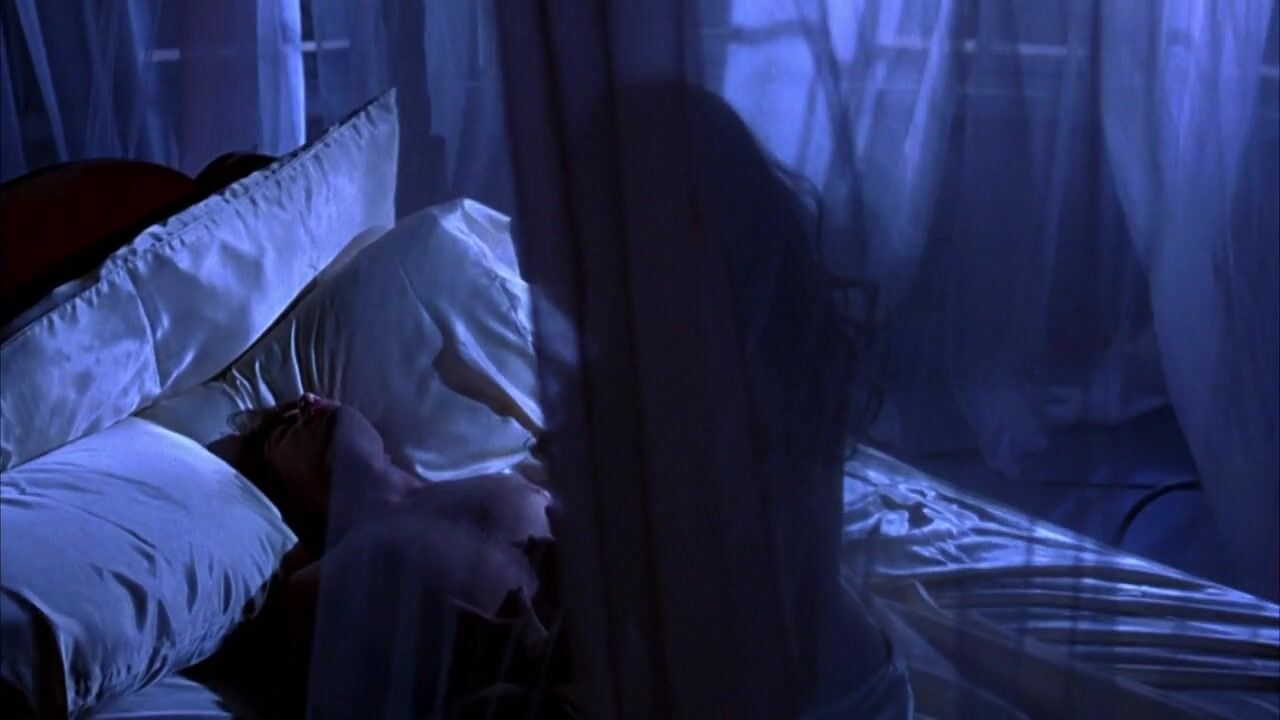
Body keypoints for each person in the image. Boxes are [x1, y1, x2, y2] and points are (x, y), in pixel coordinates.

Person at [207, 393, 568, 718]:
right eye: (285, 427)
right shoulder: (317, 584)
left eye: (315, 400)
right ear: (288, 492)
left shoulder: (501, 479)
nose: (308, 400)